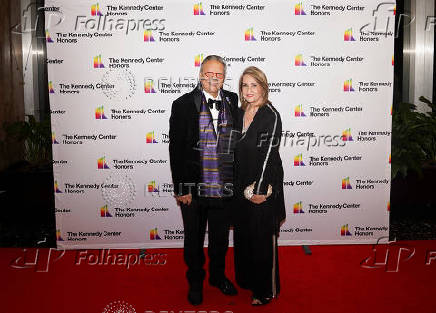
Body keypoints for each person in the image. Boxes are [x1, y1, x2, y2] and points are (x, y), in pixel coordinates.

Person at [168, 55, 239, 305]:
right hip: (194, 188)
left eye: (218, 74)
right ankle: (196, 282)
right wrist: (181, 188)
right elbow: (176, 150)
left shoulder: (232, 99)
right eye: (209, 73)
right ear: (200, 74)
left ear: (224, 76)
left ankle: (217, 277)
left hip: (225, 186)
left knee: (220, 238)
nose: (213, 78)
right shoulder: (183, 104)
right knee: (194, 239)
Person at [233, 66, 286, 305]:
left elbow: (268, 154)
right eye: (245, 85)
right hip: (240, 183)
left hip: (263, 184)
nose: (249, 90)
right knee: (244, 235)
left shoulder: (270, 115)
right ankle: (247, 280)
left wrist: (260, 189)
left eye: (254, 85)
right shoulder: (239, 113)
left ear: (263, 87)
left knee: (262, 238)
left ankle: (264, 290)